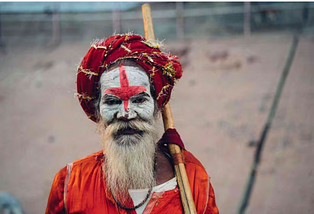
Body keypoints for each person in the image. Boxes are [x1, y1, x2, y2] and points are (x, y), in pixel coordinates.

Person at [45, 34, 219, 214]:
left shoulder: (192, 178)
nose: (126, 114)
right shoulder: (71, 184)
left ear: (157, 106)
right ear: (97, 110)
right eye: (112, 102)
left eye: (139, 100)